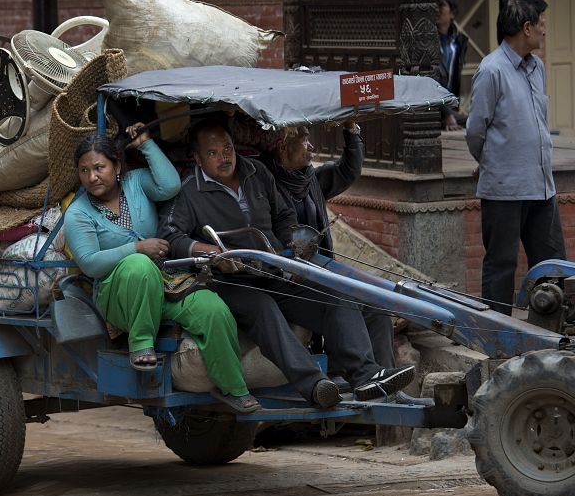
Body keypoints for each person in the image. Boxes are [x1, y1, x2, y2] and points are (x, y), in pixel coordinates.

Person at [158, 118, 414, 408]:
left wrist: (294, 247)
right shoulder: (188, 191)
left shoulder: (256, 172)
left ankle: (366, 376)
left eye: (227, 149)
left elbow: (283, 216)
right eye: (212, 153)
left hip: (273, 271)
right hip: (230, 281)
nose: (224, 157)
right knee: (262, 308)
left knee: (336, 297)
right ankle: (315, 385)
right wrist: (213, 253)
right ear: (197, 158)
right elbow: (169, 236)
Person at [64, 123, 261, 413]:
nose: (92, 177)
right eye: (84, 171)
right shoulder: (78, 212)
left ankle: (233, 388)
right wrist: (136, 248)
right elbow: (90, 263)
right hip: (118, 295)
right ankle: (141, 343)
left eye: (99, 167)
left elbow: (170, 185)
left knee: (213, 309)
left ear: (116, 166)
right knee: (139, 265)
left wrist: (146, 144)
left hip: (167, 280)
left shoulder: (136, 182)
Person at [258, 123, 395, 375]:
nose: (311, 146)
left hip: (318, 269)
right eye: (304, 141)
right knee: (342, 297)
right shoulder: (262, 183)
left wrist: (352, 132)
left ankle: (385, 380)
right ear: (283, 147)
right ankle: (355, 374)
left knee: (376, 301)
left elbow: (348, 170)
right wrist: (288, 263)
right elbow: (264, 235)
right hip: (285, 278)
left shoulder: (309, 179)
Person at [466, 0, 565, 316]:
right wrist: (490, 163)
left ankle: (554, 333)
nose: (544, 31)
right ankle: (496, 335)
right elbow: (475, 130)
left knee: (553, 266)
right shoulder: (491, 70)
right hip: (504, 189)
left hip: (542, 186)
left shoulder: (537, 67)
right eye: (541, 24)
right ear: (526, 28)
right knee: (501, 266)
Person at [437, 0, 469, 131]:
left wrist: (451, 111)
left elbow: (455, 76)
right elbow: (430, 80)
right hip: (432, 107)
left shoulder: (460, 41)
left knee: (478, 123)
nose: (436, 10)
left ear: (453, 13)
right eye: (434, 5)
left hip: (450, 108)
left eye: (441, 5)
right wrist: (447, 114)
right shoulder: (427, 40)